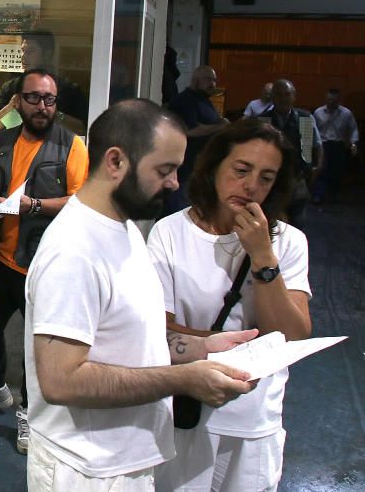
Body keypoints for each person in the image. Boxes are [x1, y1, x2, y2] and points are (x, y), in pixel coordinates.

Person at [24, 99, 257, 490]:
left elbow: (131, 339)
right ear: (115, 162)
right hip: (86, 471)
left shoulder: (124, 227)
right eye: (164, 170)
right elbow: (61, 381)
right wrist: (182, 380)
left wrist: (203, 348)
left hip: (120, 462)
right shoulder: (74, 251)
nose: (174, 183)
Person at [149, 118, 311, 491]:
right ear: (215, 166)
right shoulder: (171, 232)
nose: (251, 185)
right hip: (186, 410)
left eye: (266, 178)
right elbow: (158, 327)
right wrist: (229, 345)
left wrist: (262, 256)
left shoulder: (288, 243)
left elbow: (293, 334)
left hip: (254, 419)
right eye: (241, 170)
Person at [0, 68, 89, 454]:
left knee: (38, 348)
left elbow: (81, 202)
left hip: (43, 264)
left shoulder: (71, 146)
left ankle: (31, 414)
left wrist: (32, 205)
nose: (42, 106)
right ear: (18, 102)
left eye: (49, 100)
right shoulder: (3, 140)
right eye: (33, 98)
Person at [0, 30, 89, 136]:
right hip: (19, 150)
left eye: (31, 51)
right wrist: (10, 107)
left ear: (47, 54)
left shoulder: (68, 89)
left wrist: (53, 114)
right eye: (23, 51)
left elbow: (84, 129)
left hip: (55, 150)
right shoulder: (12, 88)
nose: (24, 57)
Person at [164, 65, 229, 215]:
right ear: (195, 80)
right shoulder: (186, 100)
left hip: (198, 169)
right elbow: (188, 130)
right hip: (184, 170)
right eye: (208, 79)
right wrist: (219, 126)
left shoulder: (204, 100)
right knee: (179, 213)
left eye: (214, 80)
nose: (212, 83)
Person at [259, 79, 321, 229]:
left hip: (297, 180)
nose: (283, 98)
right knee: (270, 224)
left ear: (294, 96)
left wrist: (314, 168)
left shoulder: (305, 118)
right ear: (272, 97)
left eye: (287, 94)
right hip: (272, 181)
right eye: (278, 95)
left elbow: (311, 148)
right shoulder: (264, 119)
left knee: (296, 224)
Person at [312, 88, 358, 202]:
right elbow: (314, 129)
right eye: (329, 99)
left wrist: (353, 143)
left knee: (336, 171)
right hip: (323, 144)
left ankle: (332, 194)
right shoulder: (318, 112)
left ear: (338, 100)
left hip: (338, 145)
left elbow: (353, 129)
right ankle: (319, 194)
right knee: (321, 169)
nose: (331, 102)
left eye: (334, 100)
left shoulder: (346, 113)